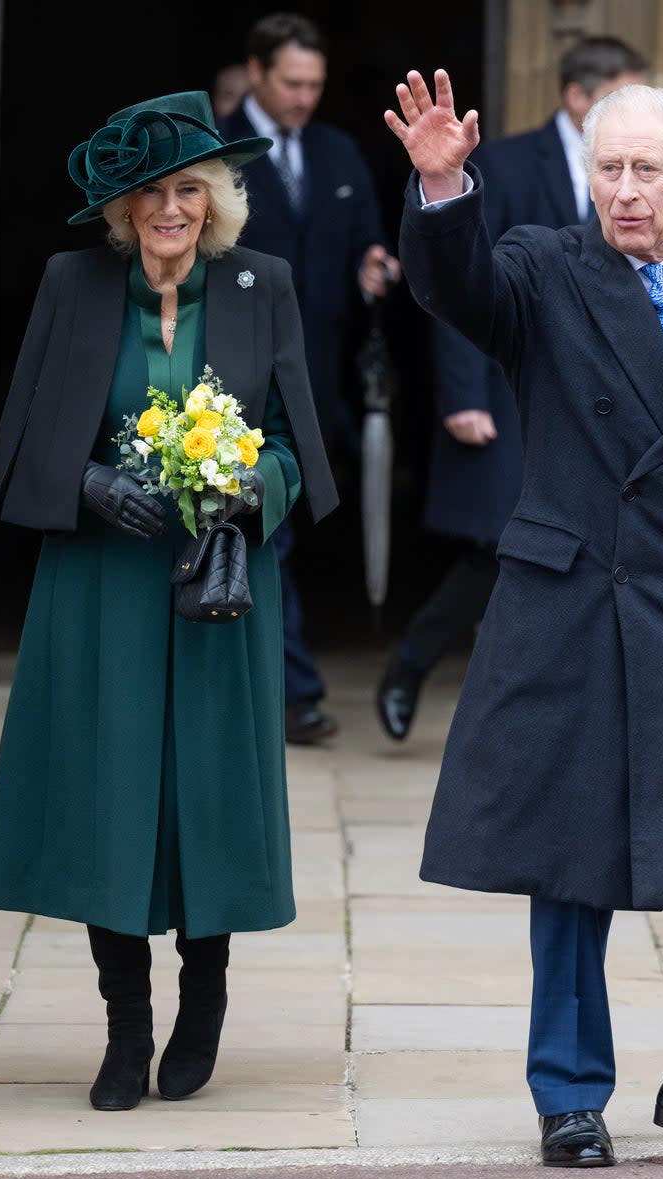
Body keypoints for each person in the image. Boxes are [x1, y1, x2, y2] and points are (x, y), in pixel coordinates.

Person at [385, 70, 663, 1166]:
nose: (623, 191)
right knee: (569, 861)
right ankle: (569, 1097)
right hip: (575, 602)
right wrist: (443, 187)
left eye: (643, 171)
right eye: (607, 169)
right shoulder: (542, 266)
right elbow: (457, 287)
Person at [0, 90, 338, 1112]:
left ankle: (205, 999)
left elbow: (301, 447)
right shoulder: (71, 282)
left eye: (189, 191)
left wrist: (246, 488)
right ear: (122, 208)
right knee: (109, 798)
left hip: (218, 578)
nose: (169, 210)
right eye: (150, 193)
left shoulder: (261, 284)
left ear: (217, 202)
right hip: (101, 580)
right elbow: (21, 443)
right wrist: (86, 482)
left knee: (208, 797)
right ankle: (124, 1032)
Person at [376, 36, 649, 742]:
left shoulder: (645, 175)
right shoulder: (500, 159)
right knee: (499, 542)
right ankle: (412, 663)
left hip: (596, 395)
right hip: (503, 384)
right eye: (623, 96)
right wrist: (463, 394)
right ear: (578, 96)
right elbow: (464, 288)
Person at [218, 11, 400, 745]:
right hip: (227, 379)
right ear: (256, 72)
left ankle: (275, 684)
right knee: (260, 532)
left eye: (315, 84)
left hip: (316, 379)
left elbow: (368, 246)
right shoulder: (213, 149)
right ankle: (292, 691)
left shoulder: (339, 150)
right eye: (291, 82)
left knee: (285, 531)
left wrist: (375, 269)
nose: (303, 97)